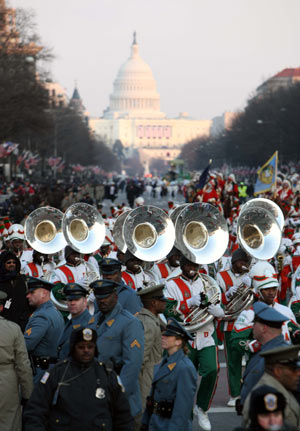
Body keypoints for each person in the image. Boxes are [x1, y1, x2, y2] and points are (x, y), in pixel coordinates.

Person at [23, 327, 133, 431]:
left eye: (90, 347)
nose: (86, 350)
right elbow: (35, 411)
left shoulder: (107, 374)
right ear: (73, 347)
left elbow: (123, 415)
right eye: (81, 347)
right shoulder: (57, 373)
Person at [165, 255, 224, 431]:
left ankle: (202, 408)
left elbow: (218, 301)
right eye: (189, 264)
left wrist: (219, 311)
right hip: (183, 337)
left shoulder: (208, 281)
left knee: (212, 369)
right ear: (182, 265)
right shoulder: (171, 283)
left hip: (206, 333)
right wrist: (187, 303)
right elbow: (168, 310)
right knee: (183, 379)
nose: (193, 267)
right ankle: (186, 416)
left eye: (195, 264)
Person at [91, 279, 144, 418]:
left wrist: (119, 395)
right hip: (95, 390)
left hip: (118, 392)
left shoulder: (130, 323)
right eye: (99, 298)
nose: (102, 301)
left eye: (106, 297)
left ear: (115, 296)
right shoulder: (94, 320)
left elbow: (132, 364)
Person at [141, 317, 197, 431]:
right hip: (155, 422)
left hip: (170, 425)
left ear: (178, 341)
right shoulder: (164, 362)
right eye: (163, 335)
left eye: (168, 336)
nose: (163, 337)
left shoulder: (184, 367)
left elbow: (182, 408)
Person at [216, 247, 252, 406]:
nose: (243, 265)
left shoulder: (250, 275)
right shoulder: (221, 276)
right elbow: (216, 300)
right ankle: (235, 394)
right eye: (240, 261)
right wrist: (229, 293)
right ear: (233, 261)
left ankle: (250, 391)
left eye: (246, 262)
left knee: (253, 359)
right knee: (233, 361)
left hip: (249, 323)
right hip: (230, 324)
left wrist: (253, 286)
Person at [239, 302, 289, 406]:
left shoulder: (274, 357)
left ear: (263, 328)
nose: (253, 327)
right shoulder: (270, 351)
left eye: (254, 323)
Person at [243, 345, 300, 428]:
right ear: (278, 371)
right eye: (294, 369)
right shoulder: (266, 395)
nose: (298, 373)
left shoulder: (282, 385)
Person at [0, 291, 33, 431]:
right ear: (1, 307)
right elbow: (23, 365)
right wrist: (28, 394)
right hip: (7, 383)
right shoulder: (13, 329)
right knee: (9, 421)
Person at [24, 276, 65, 382]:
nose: (28, 296)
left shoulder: (41, 316)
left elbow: (26, 345)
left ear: (44, 293)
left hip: (40, 370)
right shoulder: (55, 312)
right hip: (50, 368)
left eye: (32, 292)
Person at [137, 284, 166, 412]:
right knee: (145, 414)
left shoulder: (153, 319)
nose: (165, 303)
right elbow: (141, 357)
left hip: (153, 373)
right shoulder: (148, 323)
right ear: (154, 303)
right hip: (147, 377)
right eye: (162, 300)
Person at [57, 283, 93, 359]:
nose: (72, 303)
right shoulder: (71, 322)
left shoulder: (88, 324)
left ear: (85, 301)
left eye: (76, 300)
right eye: (70, 300)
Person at [0, 250, 31, 332]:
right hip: (3, 322)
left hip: (20, 321)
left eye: (14, 262)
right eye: (8, 262)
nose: (12, 264)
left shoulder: (22, 279)